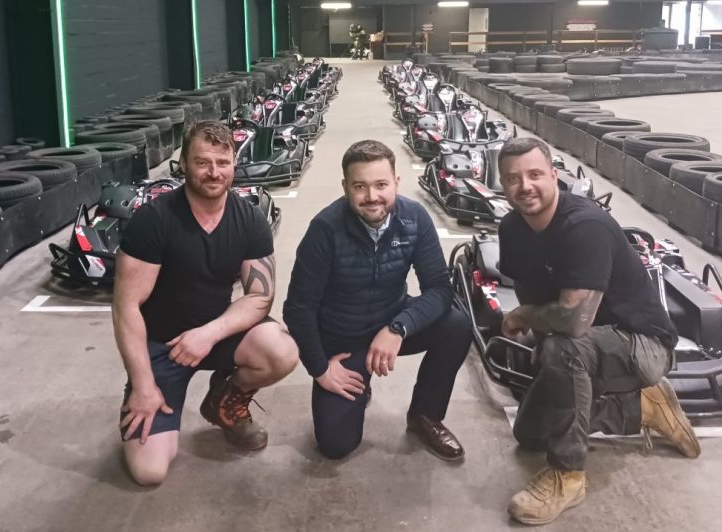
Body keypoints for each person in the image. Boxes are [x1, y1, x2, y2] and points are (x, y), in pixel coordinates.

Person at [494, 138, 701, 525]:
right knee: (530, 433)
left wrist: (524, 315)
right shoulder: (512, 229)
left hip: (642, 342)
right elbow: (534, 294)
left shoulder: (585, 226)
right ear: (502, 185)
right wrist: (537, 333)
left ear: (554, 176)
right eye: (513, 178)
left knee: (564, 348)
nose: (525, 186)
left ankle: (568, 476)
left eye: (535, 174)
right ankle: (643, 407)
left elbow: (573, 322)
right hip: (588, 343)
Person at [113, 120, 299, 486]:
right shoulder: (153, 220)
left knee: (281, 351)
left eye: (223, 162)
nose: (214, 172)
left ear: (233, 163)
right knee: (149, 472)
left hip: (214, 334)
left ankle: (223, 401)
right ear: (183, 163)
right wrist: (143, 385)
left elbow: (260, 296)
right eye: (202, 162)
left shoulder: (249, 219)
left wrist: (209, 334)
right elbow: (126, 308)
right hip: (161, 345)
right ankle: (150, 394)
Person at [283, 139, 471, 461]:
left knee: (456, 324)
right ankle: (358, 386)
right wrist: (320, 369)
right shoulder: (324, 230)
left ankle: (425, 416)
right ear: (345, 187)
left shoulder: (414, 219)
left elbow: (439, 289)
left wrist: (398, 328)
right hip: (343, 340)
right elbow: (298, 309)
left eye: (381, 184)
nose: (372, 197)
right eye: (360, 186)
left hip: (390, 319)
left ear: (396, 182)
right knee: (335, 445)